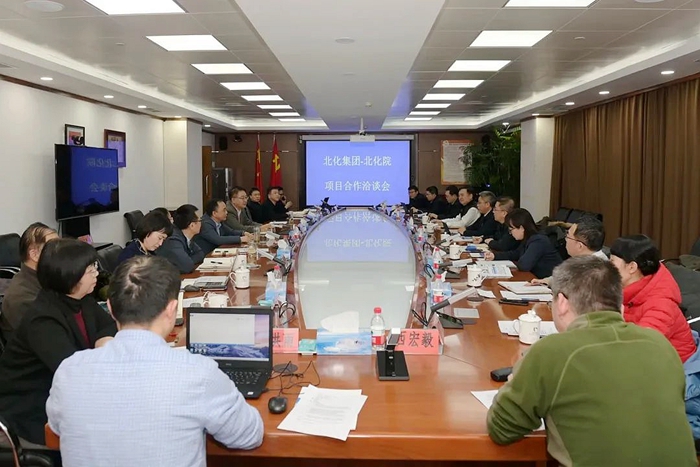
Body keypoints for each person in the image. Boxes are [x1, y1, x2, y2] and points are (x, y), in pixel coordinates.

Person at [46, 256, 264, 466]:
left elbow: (56, 427)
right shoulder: (198, 373)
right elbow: (249, 435)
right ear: (172, 309)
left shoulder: (69, 371)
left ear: (110, 308)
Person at [487, 256, 697, 466]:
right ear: (621, 307)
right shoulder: (661, 346)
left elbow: (502, 430)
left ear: (562, 303)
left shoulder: (552, 351)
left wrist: (514, 383)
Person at [0, 239, 117, 444]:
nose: (96, 273)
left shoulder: (82, 300)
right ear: (69, 274)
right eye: (90, 269)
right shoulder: (42, 319)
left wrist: (103, 341)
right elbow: (72, 371)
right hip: (34, 406)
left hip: (72, 393)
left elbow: (108, 325)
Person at [610, 235, 696, 362]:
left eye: (612, 262)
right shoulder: (624, 289)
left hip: (673, 366)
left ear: (632, 267)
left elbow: (641, 346)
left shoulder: (661, 304)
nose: (607, 267)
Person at [0, 222, 58, 342]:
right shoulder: (21, 298)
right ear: (34, 254)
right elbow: (50, 338)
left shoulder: (47, 279)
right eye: (55, 247)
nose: (61, 253)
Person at [484, 208, 562, 278]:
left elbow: (524, 265)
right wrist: (495, 256)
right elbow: (516, 253)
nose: (510, 233)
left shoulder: (538, 240)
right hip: (537, 279)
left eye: (511, 230)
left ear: (521, 228)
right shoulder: (529, 238)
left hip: (552, 284)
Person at [530, 216, 607, 285]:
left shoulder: (597, 270)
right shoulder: (584, 259)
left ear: (579, 246)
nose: (565, 239)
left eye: (568, 236)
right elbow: (563, 277)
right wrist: (546, 281)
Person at [156, 204, 205, 274]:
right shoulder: (173, 240)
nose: (202, 223)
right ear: (192, 225)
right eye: (200, 220)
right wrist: (188, 261)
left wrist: (189, 260)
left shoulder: (185, 236)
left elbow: (200, 254)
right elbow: (187, 266)